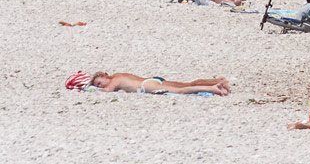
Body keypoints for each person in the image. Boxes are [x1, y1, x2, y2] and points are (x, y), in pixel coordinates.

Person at [88, 72, 230, 96]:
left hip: (147, 85)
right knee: (185, 84)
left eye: (99, 83)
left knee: (182, 91)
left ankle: (213, 88)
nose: (100, 86)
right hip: (153, 79)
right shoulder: (120, 74)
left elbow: (108, 91)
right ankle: (219, 81)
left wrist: (87, 90)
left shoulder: (115, 80)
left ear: (103, 76)